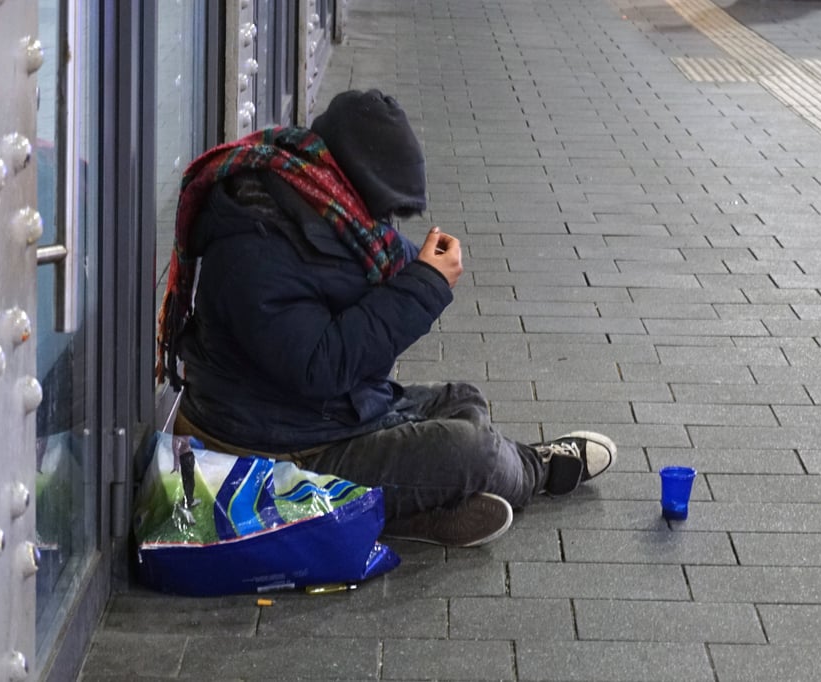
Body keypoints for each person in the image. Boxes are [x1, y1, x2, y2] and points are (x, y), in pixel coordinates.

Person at [156, 89, 616, 547]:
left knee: (462, 399)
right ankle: (536, 468)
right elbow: (322, 366)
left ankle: (403, 512)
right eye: (385, 207)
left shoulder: (317, 199)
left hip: (313, 417)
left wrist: (422, 270)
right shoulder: (258, 245)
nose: (386, 221)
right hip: (268, 450)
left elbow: (359, 264)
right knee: (471, 452)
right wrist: (425, 285)